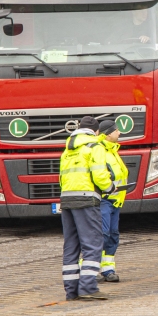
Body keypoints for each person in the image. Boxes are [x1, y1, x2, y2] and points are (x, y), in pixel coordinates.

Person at [59, 116, 115, 301]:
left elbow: (61, 176)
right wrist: (109, 188)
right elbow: (99, 174)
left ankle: (71, 290)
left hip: (67, 199)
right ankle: (88, 287)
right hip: (86, 199)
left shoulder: (68, 149)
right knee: (93, 243)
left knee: (71, 246)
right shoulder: (94, 147)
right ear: (96, 132)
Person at [97, 118, 128, 283]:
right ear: (108, 134)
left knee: (112, 235)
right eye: (116, 130)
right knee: (102, 235)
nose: (119, 132)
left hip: (115, 200)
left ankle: (108, 269)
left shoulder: (112, 150)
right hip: (105, 199)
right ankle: (87, 269)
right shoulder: (100, 151)